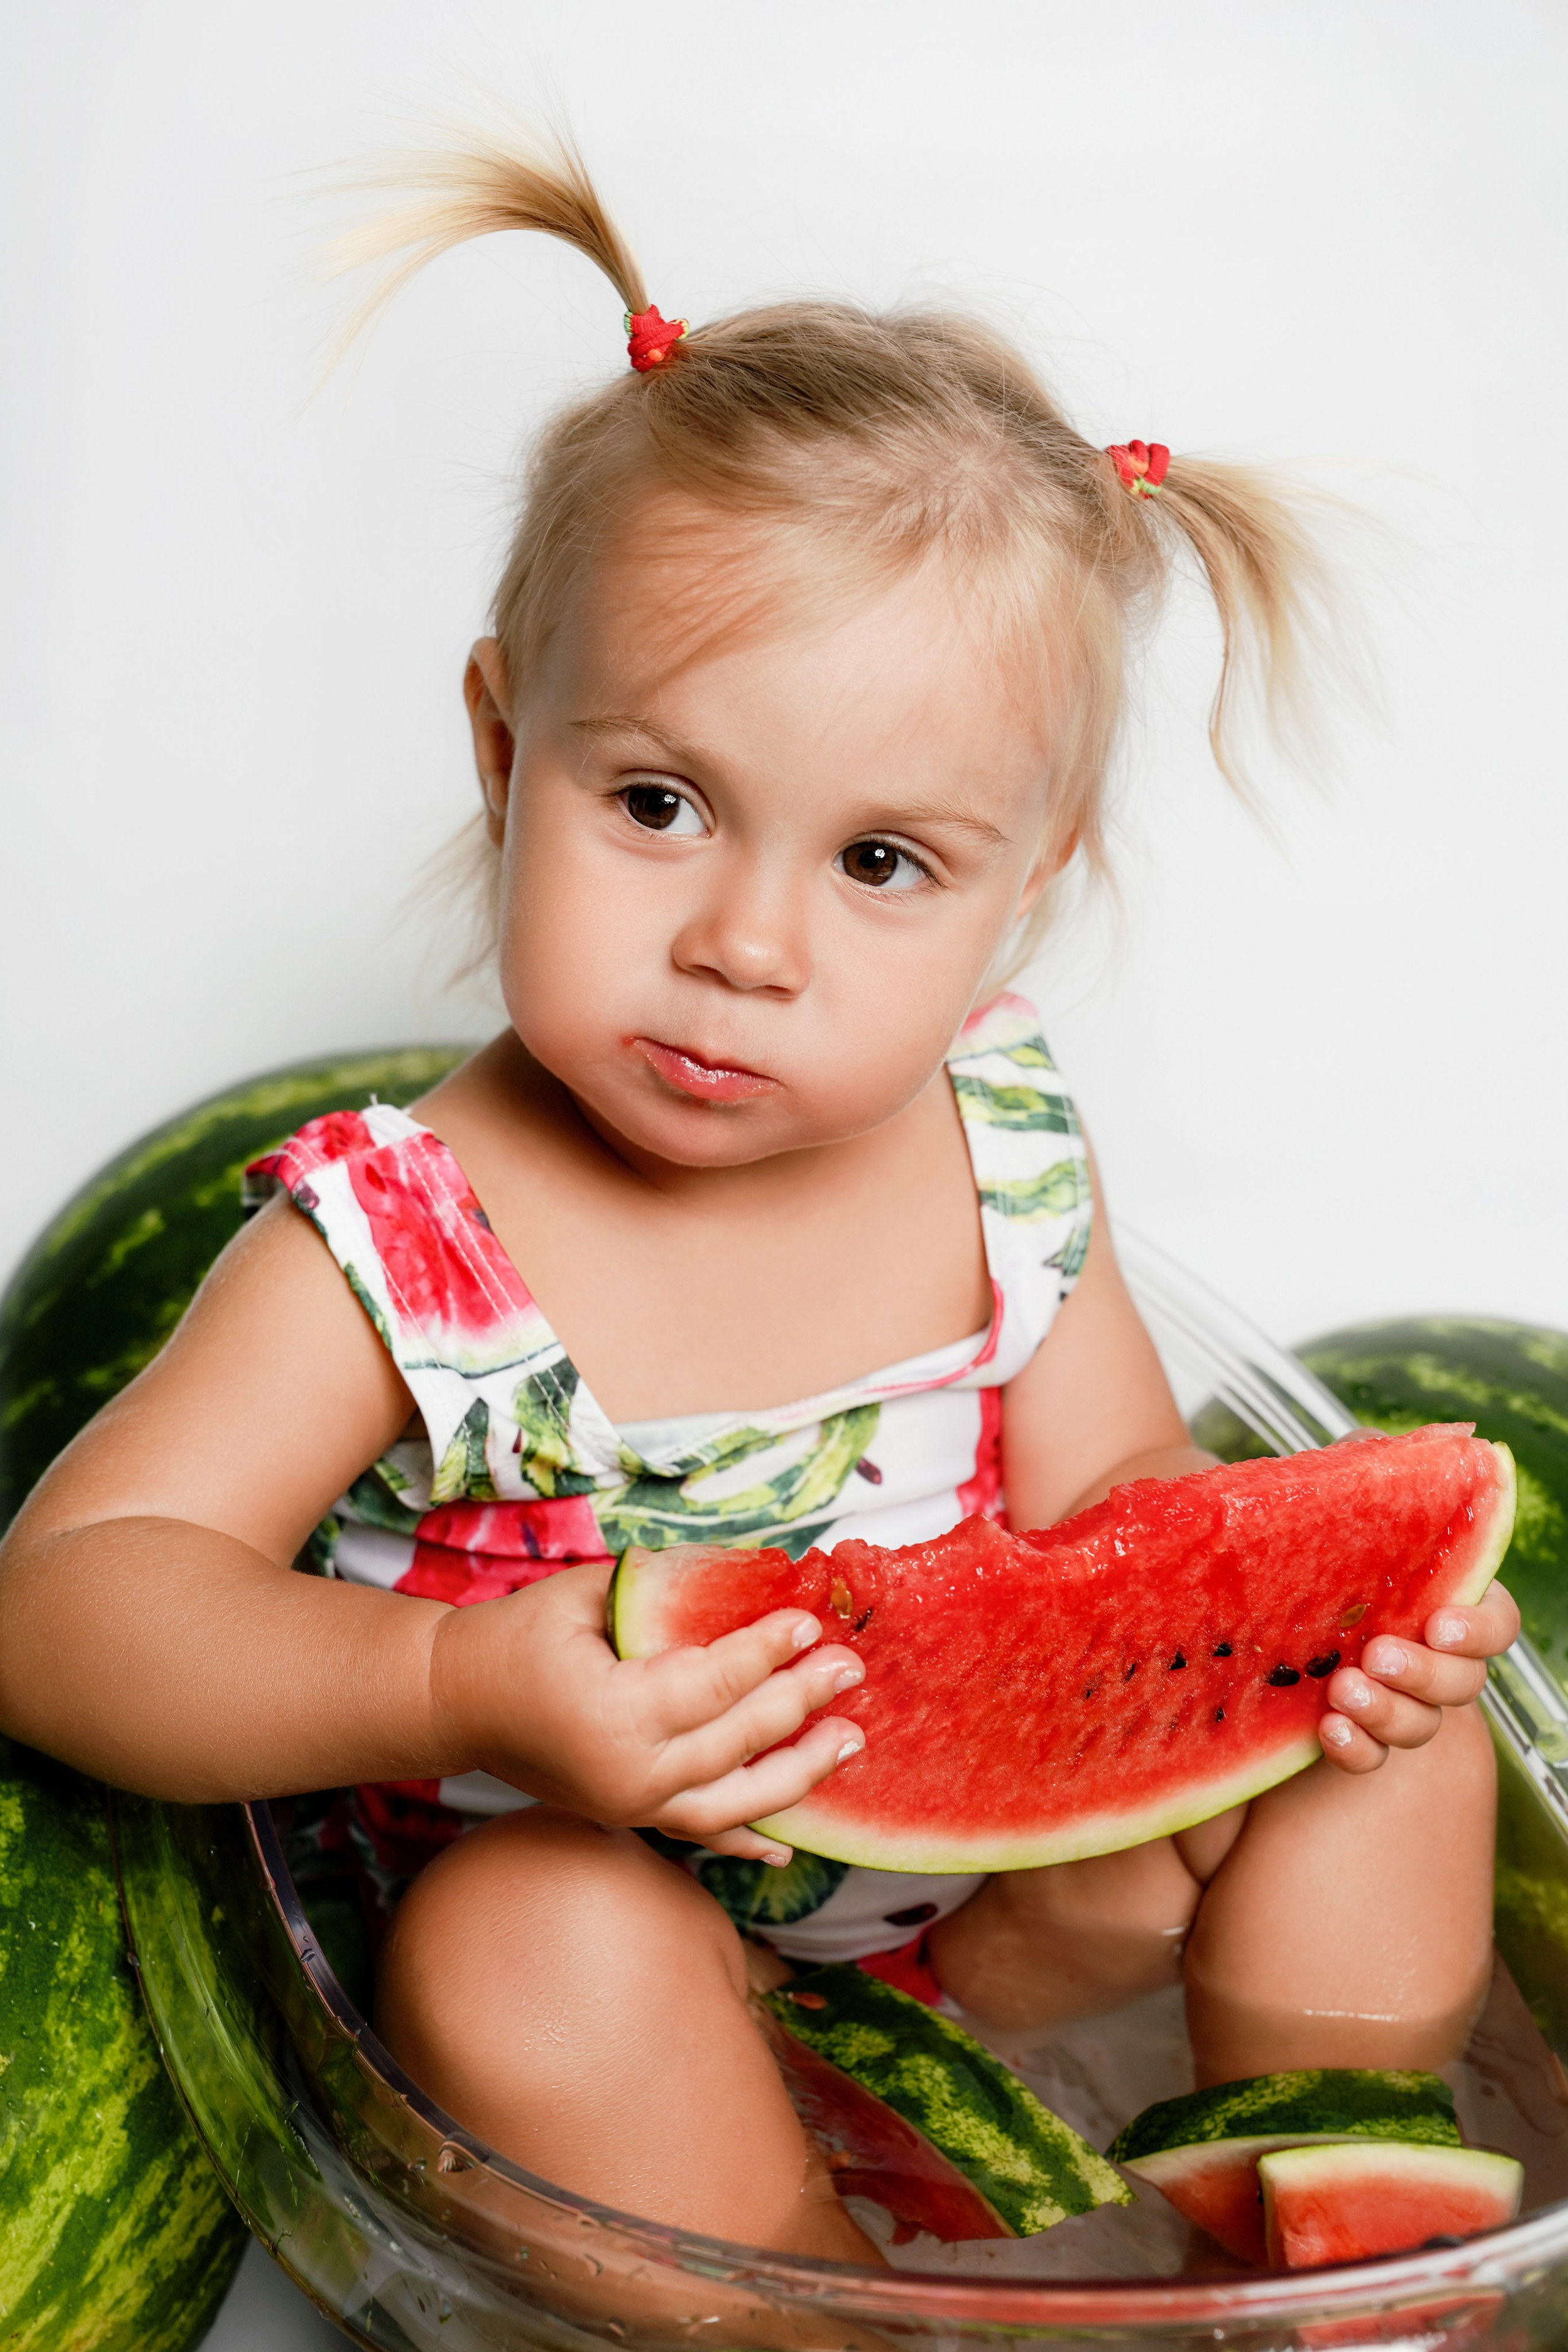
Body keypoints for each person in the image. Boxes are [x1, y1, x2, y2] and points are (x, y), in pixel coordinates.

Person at [0, 130, 1518, 2261]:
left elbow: (1126, 1501)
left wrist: (1315, 1636)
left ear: (1019, 903)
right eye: (659, 802)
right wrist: (451, 1692)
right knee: (529, 1932)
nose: (746, 942)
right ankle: (802, 2307)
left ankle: (1326, 2209)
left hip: (991, 1938)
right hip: (585, 1975)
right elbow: (69, 1608)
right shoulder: (401, 1243)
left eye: (880, 861)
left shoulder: (998, 1142)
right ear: (498, 748)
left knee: (1396, 1749)